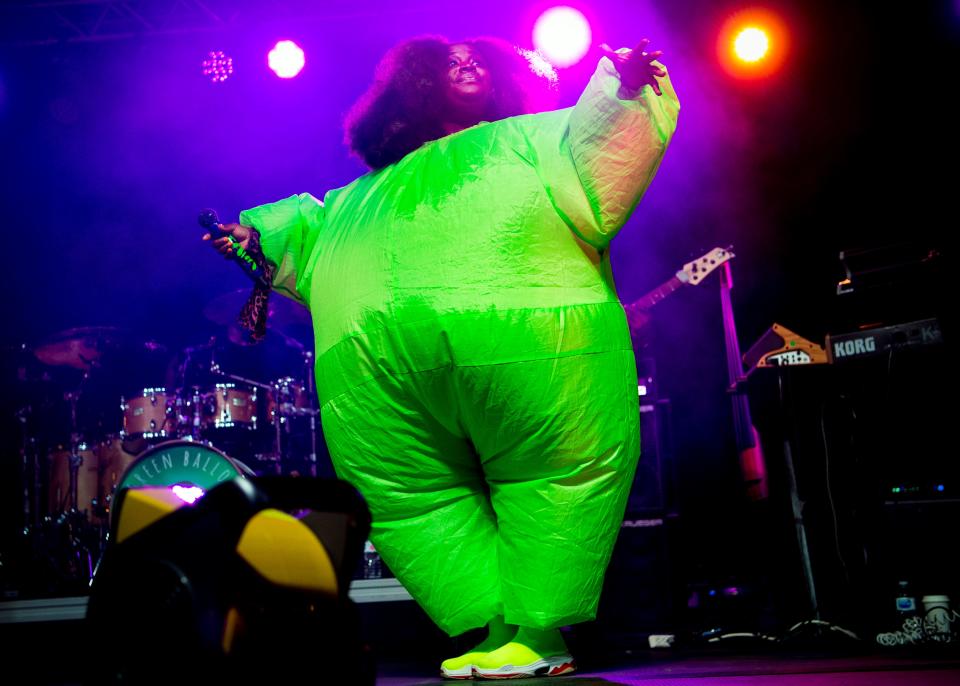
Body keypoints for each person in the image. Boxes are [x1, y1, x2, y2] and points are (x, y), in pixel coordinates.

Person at [204, 33, 679, 679]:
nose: (466, 60)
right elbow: (308, 234)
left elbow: (598, 159)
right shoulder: (360, 195)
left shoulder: (536, 138)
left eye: (479, 56)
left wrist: (622, 91)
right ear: (412, 84)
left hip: (528, 348)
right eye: (447, 58)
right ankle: (495, 628)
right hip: (381, 377)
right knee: (412, 498)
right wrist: (255, 235)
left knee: (553, 469)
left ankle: (541, 633)